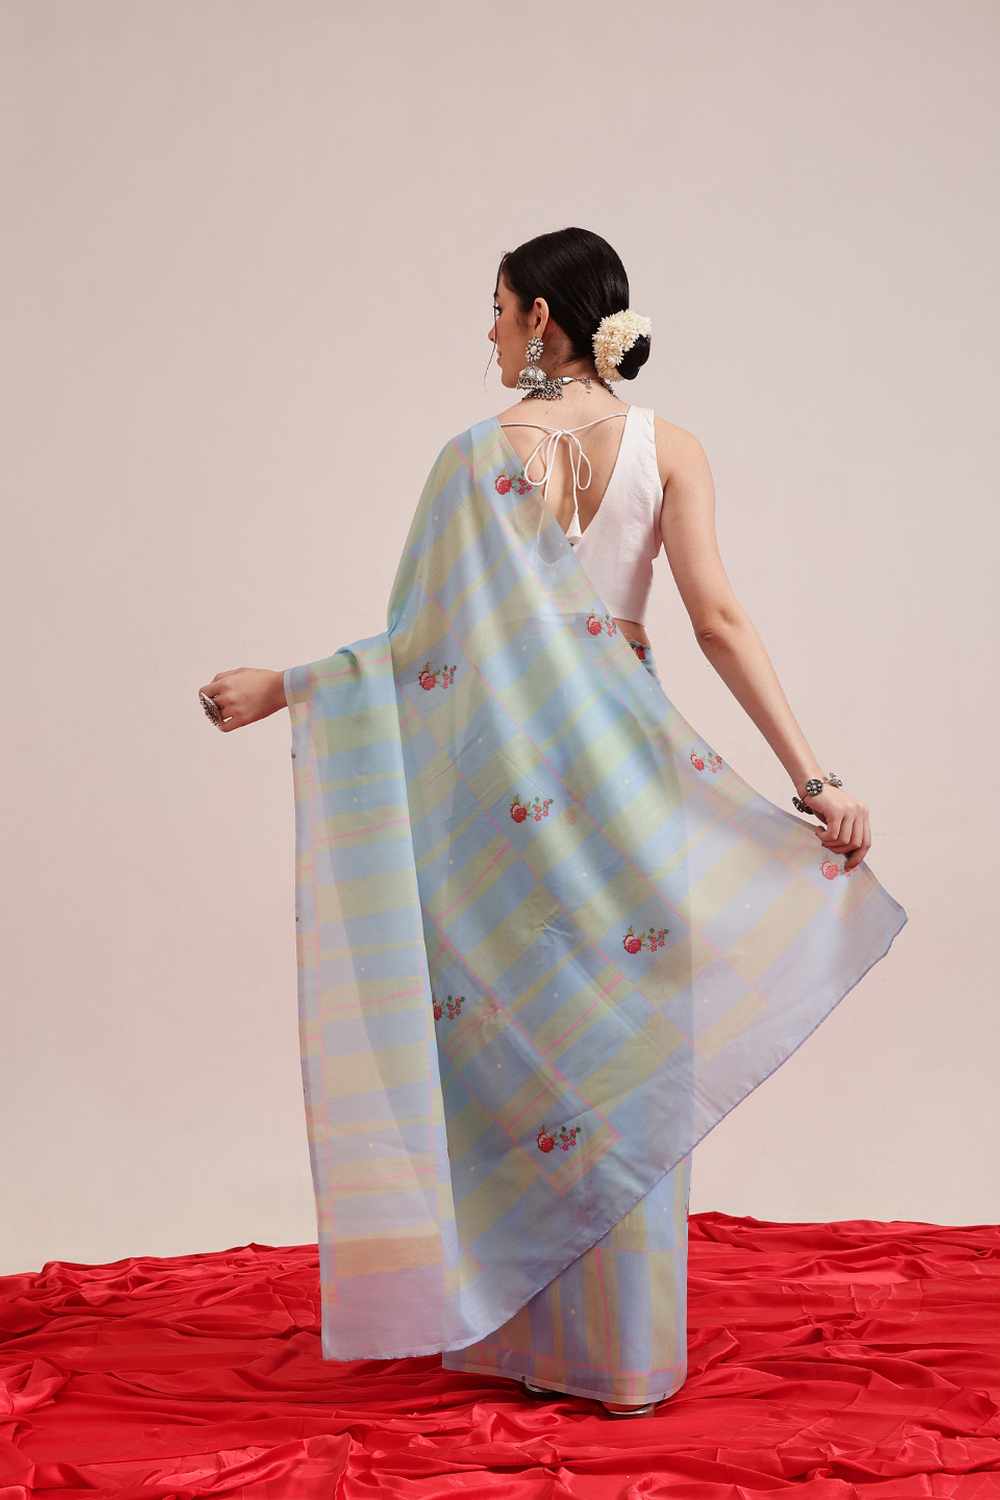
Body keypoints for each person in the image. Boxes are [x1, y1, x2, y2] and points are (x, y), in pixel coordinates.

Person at [197, 227, 907, 1417]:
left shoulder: (474, 458)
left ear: (541, 318)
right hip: (631, 772)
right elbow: (718, 621)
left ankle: (527, 1336)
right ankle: (625, 1356)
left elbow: (424, 649)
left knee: (518, 1038)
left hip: (512, 782)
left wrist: (287, 687)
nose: (486, 333)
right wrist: (813, 779)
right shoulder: (669, 448)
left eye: (495, 308)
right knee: (632, 1038)